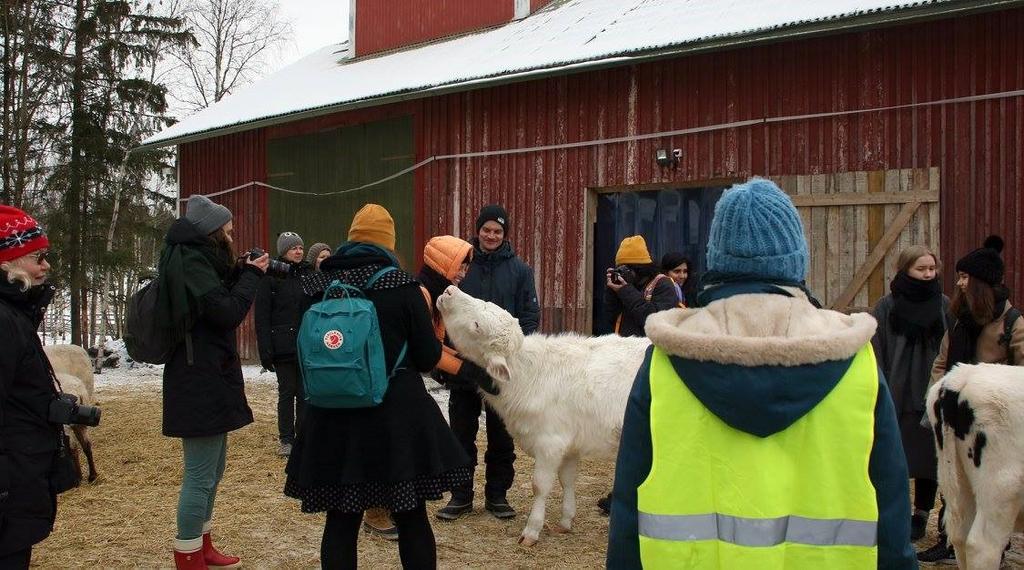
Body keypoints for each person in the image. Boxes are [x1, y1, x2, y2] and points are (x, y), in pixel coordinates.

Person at [607, 178, 917, 569]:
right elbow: (890, 504)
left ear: (716, 258)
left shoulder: (665, 363)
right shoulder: (857, 363)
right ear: (796, 261)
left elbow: (628, 503)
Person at [284, 204, 471, 569]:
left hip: (331, 416)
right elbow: (426, 356)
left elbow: (303, 348)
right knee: (411, 516)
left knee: (340, 520)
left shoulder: (314, 286)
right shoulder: (402, 286)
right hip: (395, 418)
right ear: (388, 244)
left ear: (350, 240)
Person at [158, 194, 269, 569]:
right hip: (197, 379)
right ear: (213, 232)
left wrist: (240, 271)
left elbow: (216, 299)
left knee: (213, 470)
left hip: (208, 374)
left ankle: (201, 545)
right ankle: (188, 556)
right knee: (200, 474)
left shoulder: (199, 260)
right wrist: (251, 276)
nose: (233, 235)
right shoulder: (190, 262)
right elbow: (225, 312)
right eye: (229, 230)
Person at [916, 235, 1023, 565]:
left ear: (981, 283)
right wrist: (936, 404)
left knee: (990, 494)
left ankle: (992, 549)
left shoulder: (1012, 323)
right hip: (958, 412)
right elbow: (941, 362)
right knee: (958, 490)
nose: (959, 284)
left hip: (995, 417)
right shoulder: (960, 322)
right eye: (959, 276)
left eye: (965, 278)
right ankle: (952, 541)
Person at [437, 204, 539, 521]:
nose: (491, 235)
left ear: (504, 234)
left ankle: (497, 496)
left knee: (501, 437)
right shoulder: (462, 266)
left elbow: (530, 318)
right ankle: (461, 496)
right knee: (461, 435)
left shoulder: (520, 271)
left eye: (497, 231)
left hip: (500, 372)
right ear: (478, 230)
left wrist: (512, 357)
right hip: (465, 369)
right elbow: (444, 312)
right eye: (486, 230)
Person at [0, 205, 76, 569]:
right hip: (10, 478)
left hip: (20, 470)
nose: (46, 265)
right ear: (8, 262)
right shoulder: (3, 320)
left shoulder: (14, 315)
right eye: (37, 257)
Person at [870, 246, 948, 542]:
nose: (928, 274)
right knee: (895, 457)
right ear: (905, 271)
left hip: (930, 392)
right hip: (896, 392)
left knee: (928, 458)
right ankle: (896, 514)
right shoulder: (886, 306)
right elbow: (876, 349)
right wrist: (881, 384)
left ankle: (922, 514)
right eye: (921, 269)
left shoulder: (944, 305)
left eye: (932, 269)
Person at [418, 235, 500, 400]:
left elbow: (436, 345)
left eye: (466, 268)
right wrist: (470, 371)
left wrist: (467, 361)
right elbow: (428, 349)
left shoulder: (437, 295)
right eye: (459, 267)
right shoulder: (423, 295)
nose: (463, 274)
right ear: (443, 265)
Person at [255, 231, 312, 457]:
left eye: (300, 247)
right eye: (293, 248)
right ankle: (286, 439)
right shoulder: (270, 277)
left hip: (305, 344)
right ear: (283, 251)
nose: (298, 251)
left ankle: (304, 437)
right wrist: (265, 349)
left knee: (305, 393)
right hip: (282, 346)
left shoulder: (308, 275)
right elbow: (262, 316)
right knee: (287, 392)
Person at [604, 236, 679, 337]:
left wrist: (626, 291)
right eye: (620, 269)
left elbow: (653, 319)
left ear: (641, 268)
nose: (624, 274)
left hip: (651, 347)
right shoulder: (623, 287)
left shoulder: (663, 284)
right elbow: (611, 317)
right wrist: (612, 290)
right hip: (625, 345)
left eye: (627, 269)